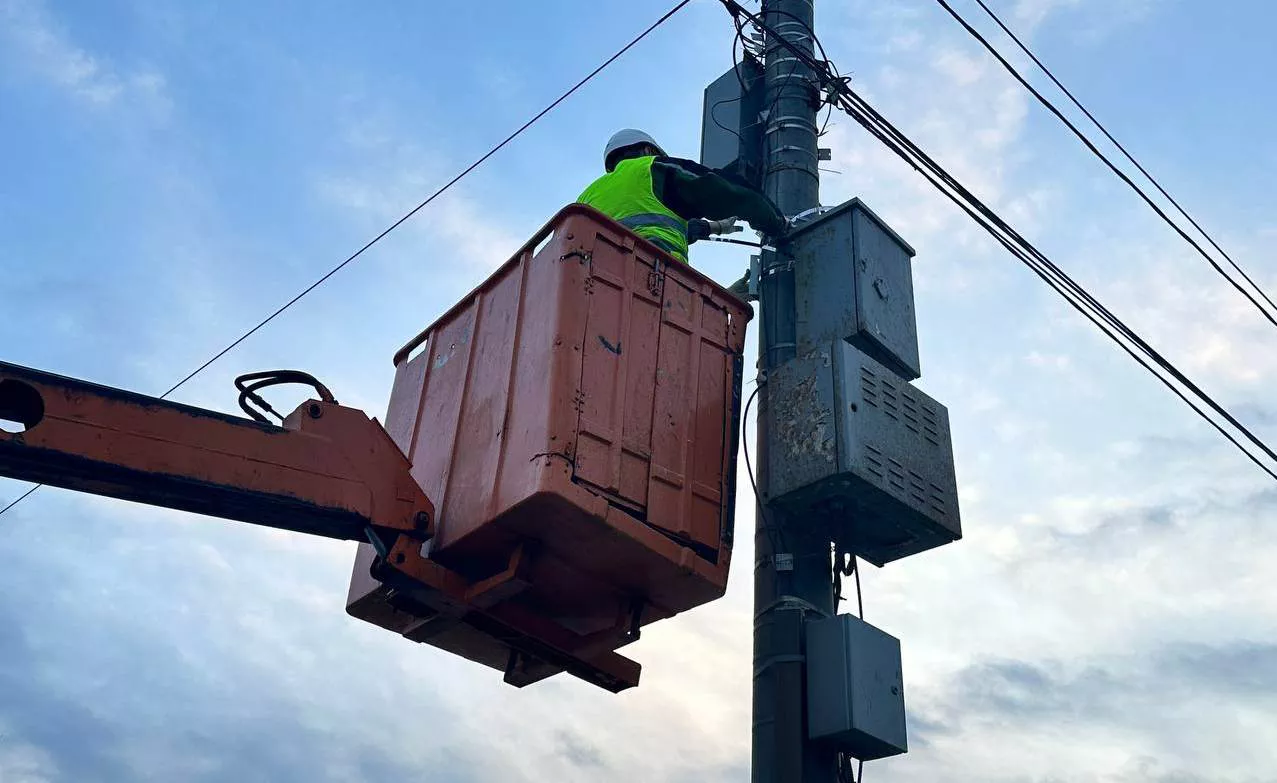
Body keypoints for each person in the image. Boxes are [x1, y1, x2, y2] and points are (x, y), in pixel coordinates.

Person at [577, 129, 788, 272]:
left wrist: (715, 228)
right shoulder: (653, 169)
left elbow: (645, 225)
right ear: (649, 150)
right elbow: (724, 191)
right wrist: (778, 224)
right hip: (655, 276)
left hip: (597, 287)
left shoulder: (587, 196)